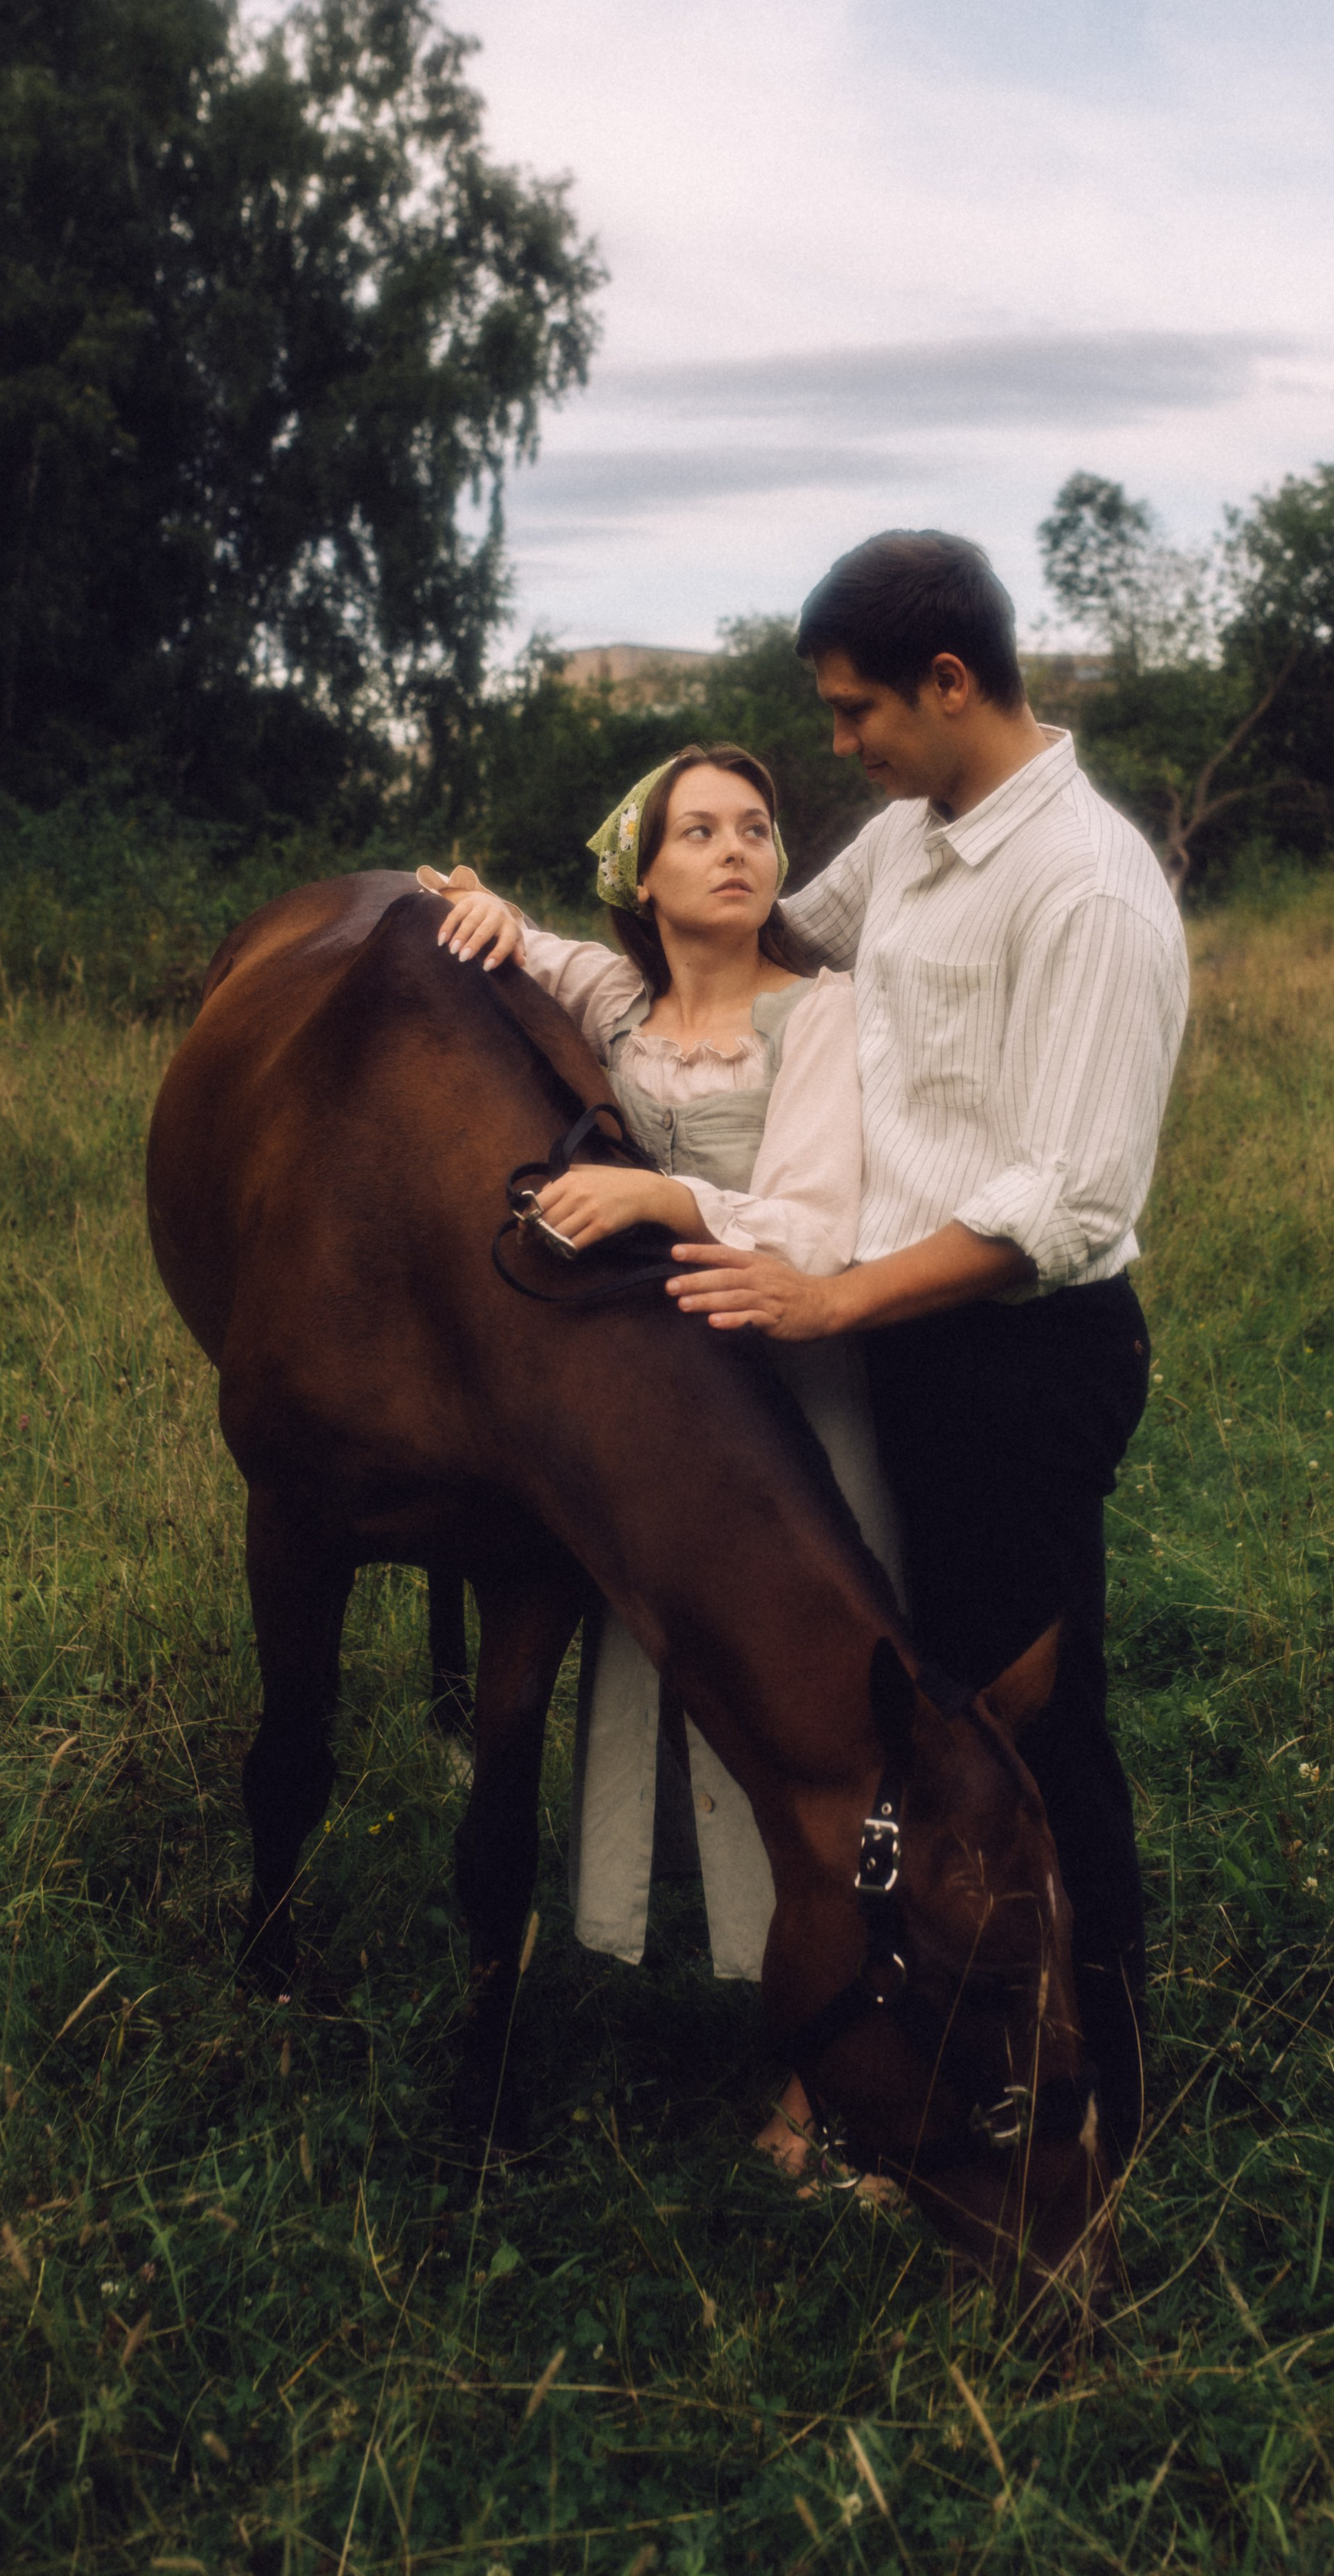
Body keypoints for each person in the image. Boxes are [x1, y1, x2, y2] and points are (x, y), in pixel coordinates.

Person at [659, 533, 1190, 2154]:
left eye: (854, 711)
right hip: (909, 1348)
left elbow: (1070, 1200)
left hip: (1023, 1360)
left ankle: (1102, 2092)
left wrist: (832, 1299)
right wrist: (554, 950)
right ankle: (922, 2041)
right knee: (918, 1720)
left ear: (948, 683)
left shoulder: (1087, 887)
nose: (838, 745)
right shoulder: (909, 838)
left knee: (1029, 1738)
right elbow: (770, 937)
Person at [416, 742, 904, 2175]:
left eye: (757, 827)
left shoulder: (820, 1013)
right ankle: (743, 1976)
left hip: (801, 1402)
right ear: (644, 880)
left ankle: (840, 2067)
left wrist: (653, 1195)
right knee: (692, 1675)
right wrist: (487, 910)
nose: (738, 850)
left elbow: (815, 1219)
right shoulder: (621, 1004)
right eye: (700, 832)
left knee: (826, 1711)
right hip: (667, 1429)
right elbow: (536, 948)